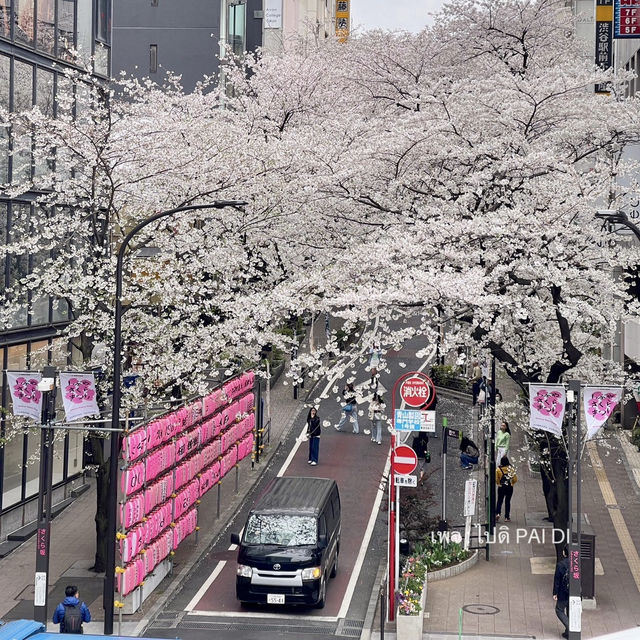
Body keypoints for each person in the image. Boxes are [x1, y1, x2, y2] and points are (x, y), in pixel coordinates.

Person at [553, 546, 570, 639]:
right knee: (570, 610)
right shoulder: (576, 563)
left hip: (563, 592)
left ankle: (570, 628)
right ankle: (568, 633)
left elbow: (557, 580)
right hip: (574, 592)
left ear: (564, 552)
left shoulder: (561, 565)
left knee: (559, 610)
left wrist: (555, 593)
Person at [495, 455, 518, 522]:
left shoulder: (498, 469)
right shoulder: (511, 469)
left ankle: (498, 513)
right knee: (507, 502)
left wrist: (499, 484)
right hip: (509, 487)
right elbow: (515, 479)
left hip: (501, 487)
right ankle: (507, 517)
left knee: (499, 501)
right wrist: (512, 483)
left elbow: (497, 479)